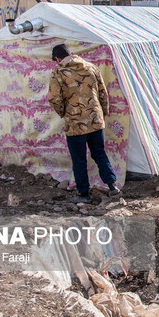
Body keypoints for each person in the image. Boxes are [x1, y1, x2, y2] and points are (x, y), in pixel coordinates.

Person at [48, 44, 120, 203]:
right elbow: (103, 92)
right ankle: (112, 186)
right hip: (95, 120)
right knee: (99, 153)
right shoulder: (91, 67)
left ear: (58, 58)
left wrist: (65, 113)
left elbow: (54, 99)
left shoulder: (59, 72)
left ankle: (84, 193)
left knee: (79, 159)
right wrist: (102, 113)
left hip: (75, 124)